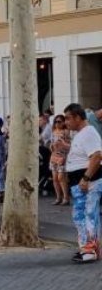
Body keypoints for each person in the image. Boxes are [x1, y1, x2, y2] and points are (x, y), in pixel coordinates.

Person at [63, 103, 102, 263]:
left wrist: (85, 179)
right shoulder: (81, 133)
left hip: (88, 183)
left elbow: (97, 156)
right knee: (86, 215)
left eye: (68, 118)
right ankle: (91, 249)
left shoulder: (88, 133)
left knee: (86, 215)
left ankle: (89, 250)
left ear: (78, 117)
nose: (66, 122)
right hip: (82, 183)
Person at [49, 114, 71, 206]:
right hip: (54, 156)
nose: (57, 123)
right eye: (56, 121)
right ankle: (58, 197)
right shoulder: (53, 131)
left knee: (61, 178)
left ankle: (66, 198)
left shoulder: (66, 132)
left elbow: (70, 145)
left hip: (63, 156)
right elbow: (51, 144)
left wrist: (63, 144)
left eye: (59, 121)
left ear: (63, 122)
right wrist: (51, 146)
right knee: (54, 178)